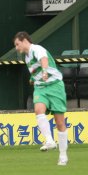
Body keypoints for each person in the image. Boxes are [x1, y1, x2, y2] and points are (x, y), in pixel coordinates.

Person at [13, 31, 68, 166]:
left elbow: (44, 60)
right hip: (41, 88)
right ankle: (49, 140)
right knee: (38, 110)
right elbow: (35, 71)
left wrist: (44, 71)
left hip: (55, 86)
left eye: (17, 44)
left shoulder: (36, 49)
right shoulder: (26, 58)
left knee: (59, 122)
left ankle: (63, 155)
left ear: (24, 40)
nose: (16, 48)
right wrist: (33, 79)